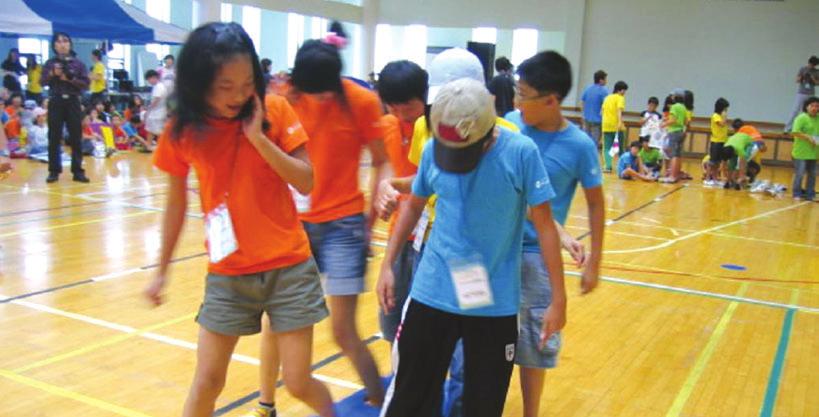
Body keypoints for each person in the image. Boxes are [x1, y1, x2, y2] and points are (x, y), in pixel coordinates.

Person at [143, 22, 336, 417]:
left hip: (289, 266)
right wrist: (160, 270)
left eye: (247, 83)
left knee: (298, 381)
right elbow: (175, 205)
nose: (238, 95)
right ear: (198, 84)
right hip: (228, 271)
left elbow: (306, 180)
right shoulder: (183, 131)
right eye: (224, 86)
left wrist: (259, 139)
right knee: (208, 381)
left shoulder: (275, 110)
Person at [376, 78, 565, 417]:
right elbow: (415, 204)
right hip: (433, 292)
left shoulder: (521, 153)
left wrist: (558, 299)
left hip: (493, 304)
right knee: (410, 399)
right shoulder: (435, 148)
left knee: (482, 404)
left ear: (488, 131)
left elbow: (546, 226)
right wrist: (387, 264)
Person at [245, 39, 390, 417]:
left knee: (342, 330)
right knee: (274, 319)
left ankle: (380, 397)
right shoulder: (281, 100)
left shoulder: (362, 101)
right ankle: (266, 404)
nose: (323, 99)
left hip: (344, 224)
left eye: (329, 91)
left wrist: (374, 213)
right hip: (295, 227)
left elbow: (380, 161)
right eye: (315, 92)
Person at [504, 50, 604, 417]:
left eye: (523, 94)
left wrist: (594, 261)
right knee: (490, 335)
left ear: (550, 100)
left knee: (534, 341)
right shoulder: (509, 126)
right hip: (498, 246)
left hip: (537, 255)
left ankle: (531, 412)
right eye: (516, 92)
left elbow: (596, 204)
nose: (516, 102)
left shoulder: (578, 146)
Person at [374, 60, 427, 345]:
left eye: (407, 106)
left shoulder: (434, 130)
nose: (400, 114)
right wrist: (384, 196)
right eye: (393, 108)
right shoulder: (388, 126)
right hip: (400, 235)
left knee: (421, 326)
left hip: (430, 240)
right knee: (390, 322)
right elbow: (385, 170)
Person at [42, 32, 90, 183]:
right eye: (59, 41)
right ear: (54, 45)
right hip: (56, 101)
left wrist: (70, 79)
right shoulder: (50, 63)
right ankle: (53, 171)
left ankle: (78, 171)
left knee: (76, 137)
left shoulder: (78, 64)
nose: (62, 44)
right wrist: (52, 74)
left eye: (65, 41)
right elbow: (42, 82)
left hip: (73, 101)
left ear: (70, 44)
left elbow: (86, 84)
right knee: (54, 137)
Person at [789, 96, 818, 201]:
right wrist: (808, 137)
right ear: (807, 107)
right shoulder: (801, 118)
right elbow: (795, 132)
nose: (815, 108)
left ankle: (810, 194)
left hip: (814, 152)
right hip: (801, 152)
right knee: (800, 173)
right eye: (812, 106)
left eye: (817, 106)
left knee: (813, 174)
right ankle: (796, 193)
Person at [785, 56, 819, 132]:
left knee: (807, 111)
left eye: (814, 65)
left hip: (810, 93)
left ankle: (803, 129)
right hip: (801, 92)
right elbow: (797, 80)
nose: (812, 66)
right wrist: (802, 77)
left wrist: (812, 78)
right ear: (809, 62)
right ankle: (787, 128)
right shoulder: (802, 69)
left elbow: (817, 83)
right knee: (795, 110)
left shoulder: (817, 71)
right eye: (811, 64)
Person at [659, 89, 687, 183]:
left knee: (673, 155)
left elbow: (673, 120)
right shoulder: (683, 107)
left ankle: (672, 176)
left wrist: (664, 124)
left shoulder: (674, 107)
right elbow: (686, 121)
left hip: (674, 131)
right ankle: (676, 174)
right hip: (680, 131)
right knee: (678, 154)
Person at [600, 80, 628, 172]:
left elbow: (601, 112)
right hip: (616, 125)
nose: (624, 93)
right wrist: (620, 122)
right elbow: (619, 110)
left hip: (605, 125)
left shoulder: (607, 98)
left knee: (607, 147)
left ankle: (608, 166)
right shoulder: (620, 98)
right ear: (620, 90)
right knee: (620, 147)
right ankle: (623, 166)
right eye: (624, 91)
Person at [579, 70, 607, 147]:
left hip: (586, 119)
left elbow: (582, 102)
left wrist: (583, 114)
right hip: (597, 120)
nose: (606, 81)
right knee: (594, 143)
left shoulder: (587, 88)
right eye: (605, 79)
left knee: (585, 141)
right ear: (601, 80)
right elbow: (605, 105)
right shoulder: (603, 90)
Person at [706, 98, 730, 186]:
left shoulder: (721, 116)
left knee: (718, 162)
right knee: (713, 161)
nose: (726, 110)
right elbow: (722, 124)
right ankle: (708, 178)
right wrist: (724, 117)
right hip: (716, 141)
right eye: (725, 108)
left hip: (722, 141)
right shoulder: (715, 116)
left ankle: (715, 179)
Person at [144, 69, 169, 144]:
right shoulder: (158, 86)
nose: (149, 81)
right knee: (151, 130)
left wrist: (148, 110)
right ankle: (148, 145)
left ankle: (161, 146)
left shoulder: (159, 87)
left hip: (158, 113)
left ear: (154, 77)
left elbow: (156, 100)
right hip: (157, 112)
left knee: (158, 132)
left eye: (149, 79)